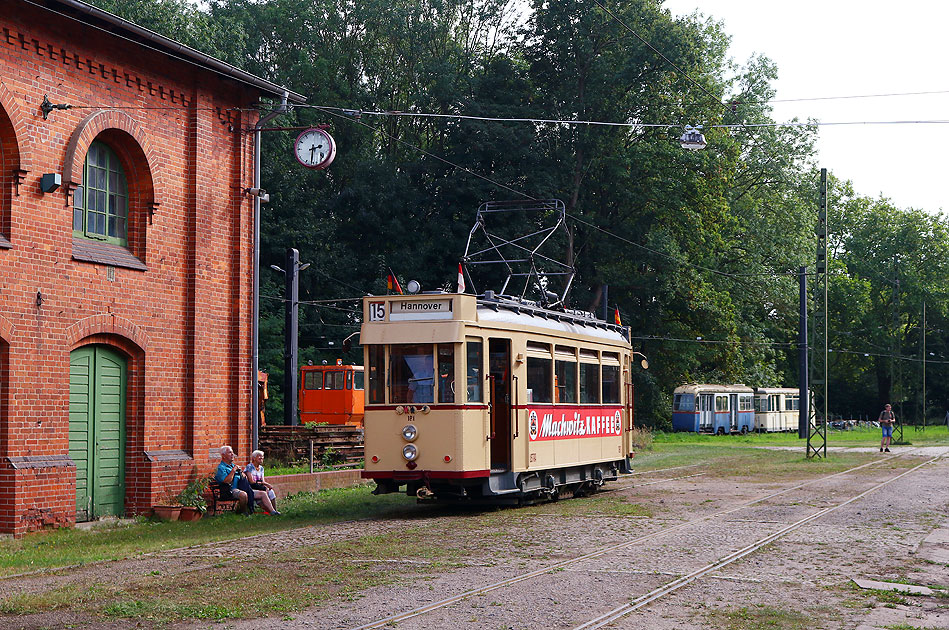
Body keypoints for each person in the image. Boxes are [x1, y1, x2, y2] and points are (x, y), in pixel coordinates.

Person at [215, 445, 252, 514]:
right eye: (230, 453)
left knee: (262, 494)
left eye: (232, 452)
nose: (232, 454)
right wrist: (233, 471)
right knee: (243, 495)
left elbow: (243, 479)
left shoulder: (233, 465)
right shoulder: (221, 468)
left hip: (241, 487)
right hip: (230, 490)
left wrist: (242, 474)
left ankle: (272, 511)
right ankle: (243, 512)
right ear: (223, 455)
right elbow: (226, 481)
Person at [245, 450, 280, 515]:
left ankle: (275, 510)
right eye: (259, 456)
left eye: (262, 456)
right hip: (252, 487)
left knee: (271, 492)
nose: (261, 458)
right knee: (264, 492)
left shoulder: (261, 468)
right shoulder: (249, 467)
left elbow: (262, 480)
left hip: (260, 486)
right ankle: (271, 511)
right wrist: (264, 485)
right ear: (254, 458)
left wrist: (266, 485)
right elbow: (251, 481)